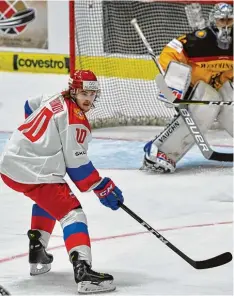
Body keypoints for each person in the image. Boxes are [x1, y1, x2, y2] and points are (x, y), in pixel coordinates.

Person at [0, 69, 124, 294]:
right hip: (34, 169)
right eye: (83, 93)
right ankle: (84, 271)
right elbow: (77, 166)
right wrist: (101, 186)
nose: (88, 98)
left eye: (92, 94)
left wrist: (44, 141)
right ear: (73, 90)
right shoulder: (76, 121)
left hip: (10, 163)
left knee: (48, 200)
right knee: (72, 213)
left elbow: (29, 106)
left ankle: (38, 252)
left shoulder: (53, 96)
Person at [142, 2, 233, 173]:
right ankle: (160, 152)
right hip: (195, 89)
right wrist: (174, 83)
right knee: (208, 102)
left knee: (231, 103)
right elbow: (170, 51)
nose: (226, 25)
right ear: (214, 21)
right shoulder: (200, 39)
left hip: (220, 86)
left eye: (230, 20)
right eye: (222, 20)